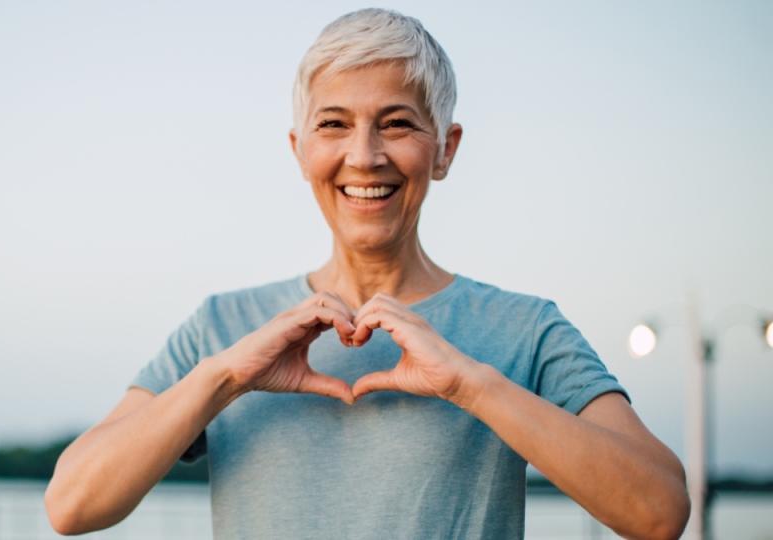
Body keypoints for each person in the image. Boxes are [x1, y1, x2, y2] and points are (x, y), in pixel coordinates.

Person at [45, 8, 690, 539]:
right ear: (300, 151)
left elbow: (659, 509)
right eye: (334, 124)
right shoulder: (221, 327)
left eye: (397, 123)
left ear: (445, 149)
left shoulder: (527, 328)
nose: (365, 155)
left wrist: (470, 385)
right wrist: (225, 377)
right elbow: (71, 505)